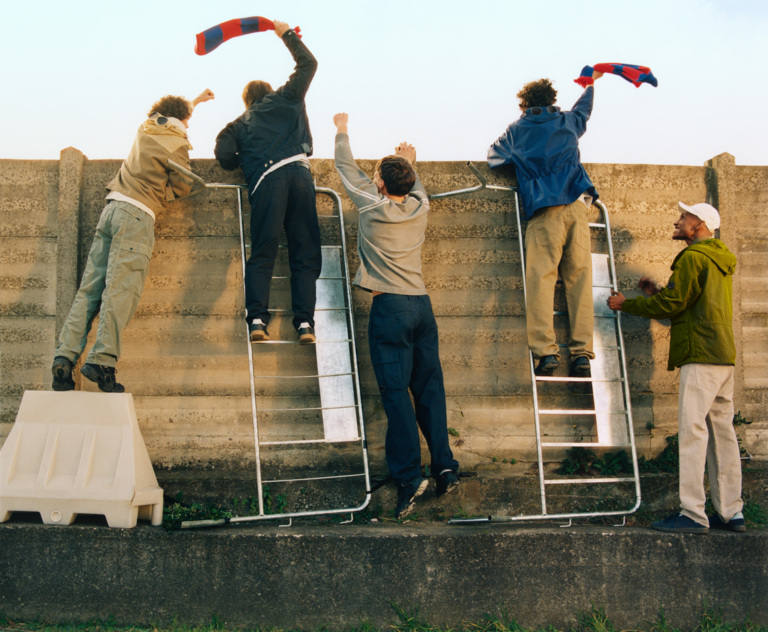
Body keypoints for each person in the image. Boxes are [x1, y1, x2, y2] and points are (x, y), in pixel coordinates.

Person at [333, 112, 460, 519]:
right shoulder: (420, 206)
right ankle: (445, 468)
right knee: (429, 390)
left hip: (390, 309)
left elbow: (345, 168)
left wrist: (342, 130)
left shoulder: (373, 205)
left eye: (376, 177)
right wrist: (408, 162)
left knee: (396, 393)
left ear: (382, 185)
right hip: (422, 306)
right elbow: (415, 186)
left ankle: (408, 477)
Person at [52, 89, 215, 393]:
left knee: (89, 290)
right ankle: (102, 362)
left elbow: (173, 114)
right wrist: (164, 192)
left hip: (112, 210)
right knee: (121, 292)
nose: (188, 126)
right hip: (137, 216)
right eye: (188, 121)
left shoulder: (146, 128)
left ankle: (64, 358)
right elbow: (184, 184)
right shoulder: (176, 141)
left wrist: (197, 101)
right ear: (181, 120)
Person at [608, 202, 744, 534]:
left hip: (699, 355)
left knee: (693, 432)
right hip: (722, 354)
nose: (677, 221)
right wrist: (656, 293)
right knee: (722, 436)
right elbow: (688, 303)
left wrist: (627, 304)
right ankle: (731, 513)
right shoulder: (719, 259)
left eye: (685, 217)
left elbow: (674, 303)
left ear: (700, 226)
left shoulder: (692, 257)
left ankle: (692, 513)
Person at [488, 75, 602, 378]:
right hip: (577, 207)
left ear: (524, 104)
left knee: (541, 282)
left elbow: (493, 156)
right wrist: (591, 85)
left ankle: (546, 352)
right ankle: (582, 354)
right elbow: (584, 110)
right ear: (552, 100)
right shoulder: (568, 121)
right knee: (580, 281)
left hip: (543, 211)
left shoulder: (517, 130)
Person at [215, 20, 321, 344]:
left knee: (263, 254)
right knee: (304, 253)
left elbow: (224, 155)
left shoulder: (238, 123)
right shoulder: (288, 98)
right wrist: (285, 33)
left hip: (265, 181)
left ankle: (258, 321)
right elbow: (309, 64)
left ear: (247, 101)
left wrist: (247, 160)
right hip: (299, 174)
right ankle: (305, 324)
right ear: (269, 92)